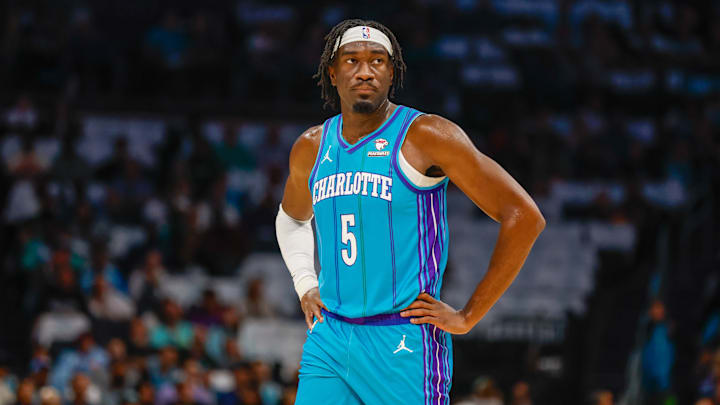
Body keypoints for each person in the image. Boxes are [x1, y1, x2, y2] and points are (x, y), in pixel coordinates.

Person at [275, 19, 545, 404]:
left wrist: (468, 316)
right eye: (351, 60)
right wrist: (304, 282)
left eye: (377, 61)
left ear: (392, 73)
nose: (365, 71)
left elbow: (524, 216)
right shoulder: (311, 146)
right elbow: (291, 218)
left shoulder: (427, 135)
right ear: (332, 73)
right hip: (331, 339)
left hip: (402, 342)